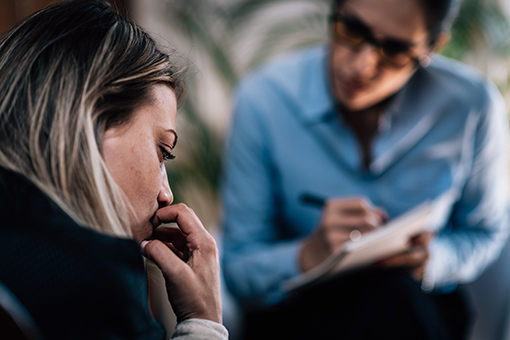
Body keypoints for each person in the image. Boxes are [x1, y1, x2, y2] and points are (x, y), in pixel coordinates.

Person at [221, 0, 510, 339]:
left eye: (395, 50)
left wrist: (433, 259)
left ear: (434, 46)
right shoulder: (264, 101)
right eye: (352, 30)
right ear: (335, 11)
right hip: (302, 315)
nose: (362, 65)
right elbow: (238, 270)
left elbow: (485, 233)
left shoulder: (471, 106)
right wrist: (310, 254)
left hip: (418, 306)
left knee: (396, 295)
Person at [0, 1, 228, 339]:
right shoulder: (91, 278)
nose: (167, 195)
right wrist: (203, 321)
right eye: (163, 150)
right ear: (94, 118)